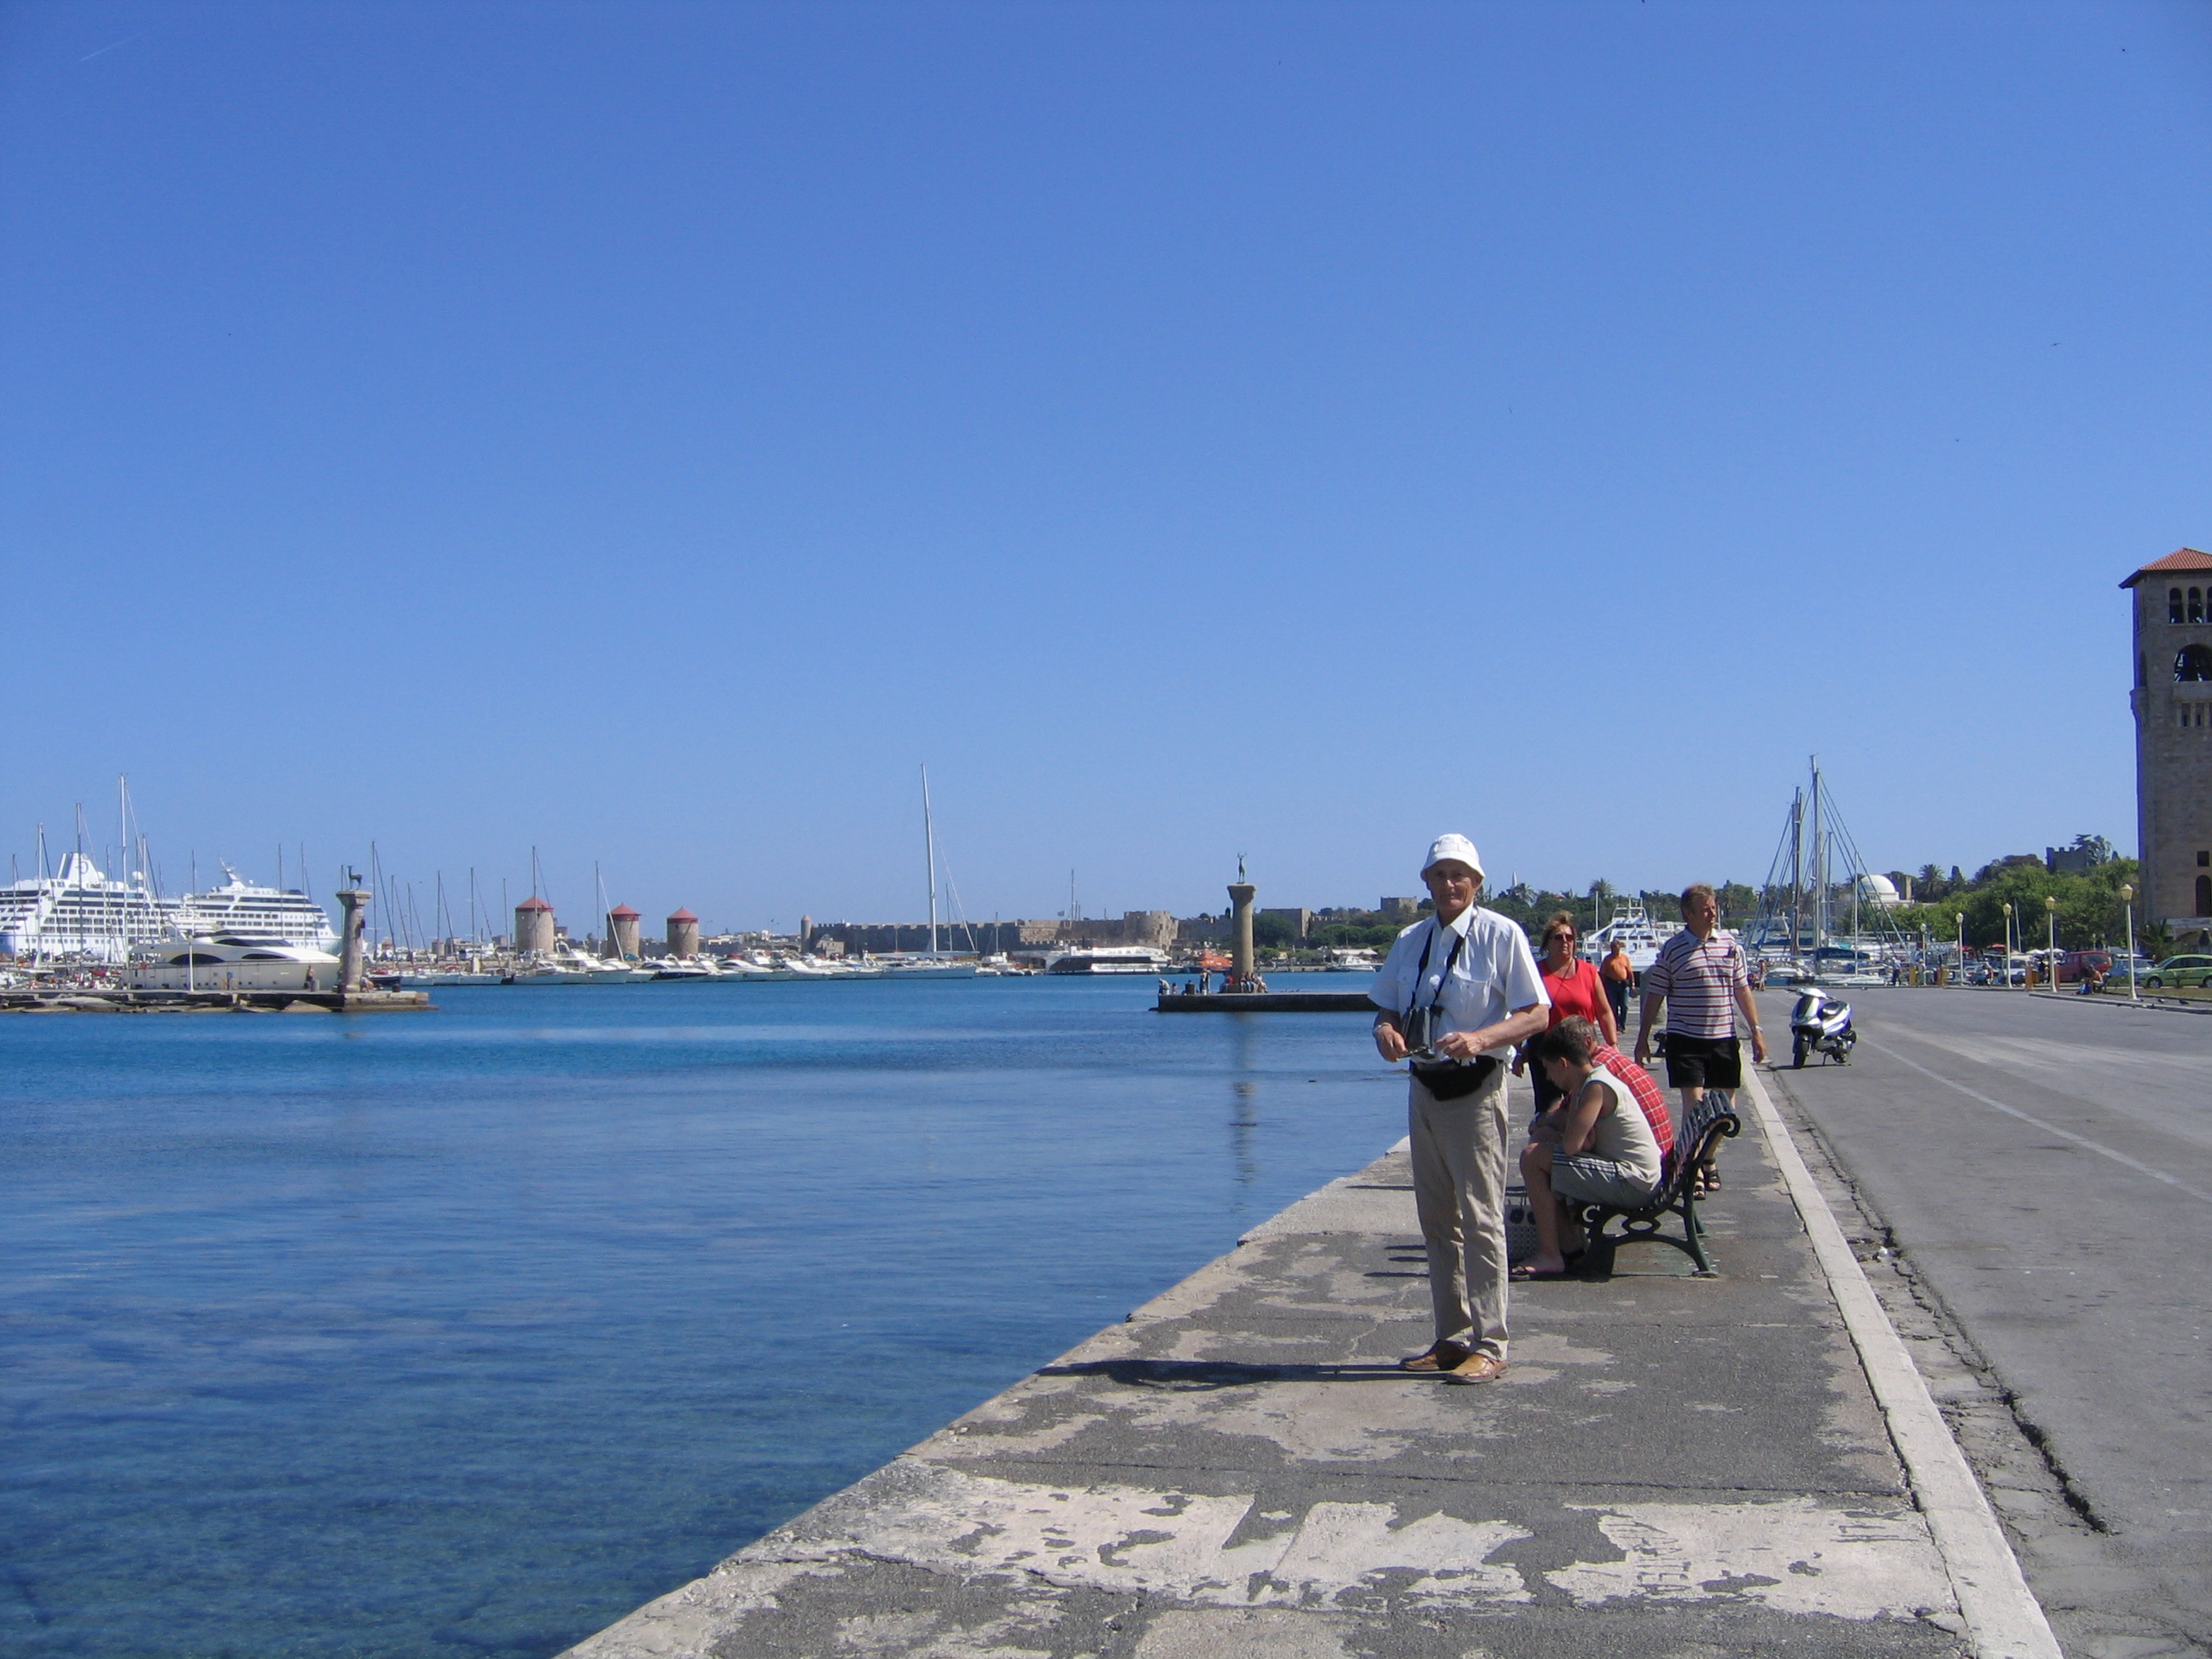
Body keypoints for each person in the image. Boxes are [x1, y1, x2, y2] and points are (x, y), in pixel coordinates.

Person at [1370, 835, 1549, 1385]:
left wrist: (1481, 1038)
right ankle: (1451, 1336)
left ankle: (1491, 1343)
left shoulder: (1501, 935)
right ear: (1426, 882)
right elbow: (1386, 1008)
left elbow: (1537, 1012)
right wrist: (1384, 1031)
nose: (1450, 883)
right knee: (1436, 1220)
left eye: (1460, 875)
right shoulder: (1411, 939)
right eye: (1440, 874)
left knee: (1481, 1219)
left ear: (1477, 882)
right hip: (1423, 1087)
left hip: (1476, 1090)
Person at [1635, 884, 1766, 1194]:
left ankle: (1708, 1158)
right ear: (1688, 913)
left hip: (1723, 1038)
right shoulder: (1674, 949)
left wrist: (1756, 1031)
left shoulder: (1730, 946)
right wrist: (1643, 1037)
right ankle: (1691, 1165)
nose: (1712, 914)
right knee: (1694, 1108)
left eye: (1714, 907)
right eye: (1705, 909)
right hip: (1686, 1039)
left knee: (1725, 1111)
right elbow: (1656, 995)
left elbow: (1742, 990)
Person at [1515, 1016, 1665, 1278]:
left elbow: (1572, 1146)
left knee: (1532, 1158)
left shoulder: (1596, 1087)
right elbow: (1579, 1141)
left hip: (1635, 1182)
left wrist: (1561, 1138)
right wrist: (1561, 1136)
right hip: (1634, 1175)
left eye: (1549, 1069)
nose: (1548, 1077)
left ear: (1563, 1063)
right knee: (1544, 1149)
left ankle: (1550, 1253)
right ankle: (1571, 1247)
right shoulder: (1590, 1080)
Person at [1512, 913, 1617, 1120]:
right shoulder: (1535, 973)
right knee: (1549, 1112)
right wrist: (1518, 1051)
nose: (1565, 942)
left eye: (1569, 938)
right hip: (1546, 1052)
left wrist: (1613, 1044)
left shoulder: (1589, 972)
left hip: (1581, 1051)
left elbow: (1604, 1012)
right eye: (1558, 937)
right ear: (1547, 943)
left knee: (1585, 1108)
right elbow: (1521, 1012)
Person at [1600, 940, 1633, 1029]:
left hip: (1623, 984)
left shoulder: (1624, 958)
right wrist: (1602, 985)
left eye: (1616, 947)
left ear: (1619, 948)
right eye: (1613, 947)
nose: (1614, 949)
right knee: (1613, 1006)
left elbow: (1630, 971)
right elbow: (1603, 973)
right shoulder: (1607, 959)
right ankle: (1616, 1024)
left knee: (1624, 1006)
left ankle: (1622, 1024)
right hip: (1612, 984)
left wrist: (1632, 983)